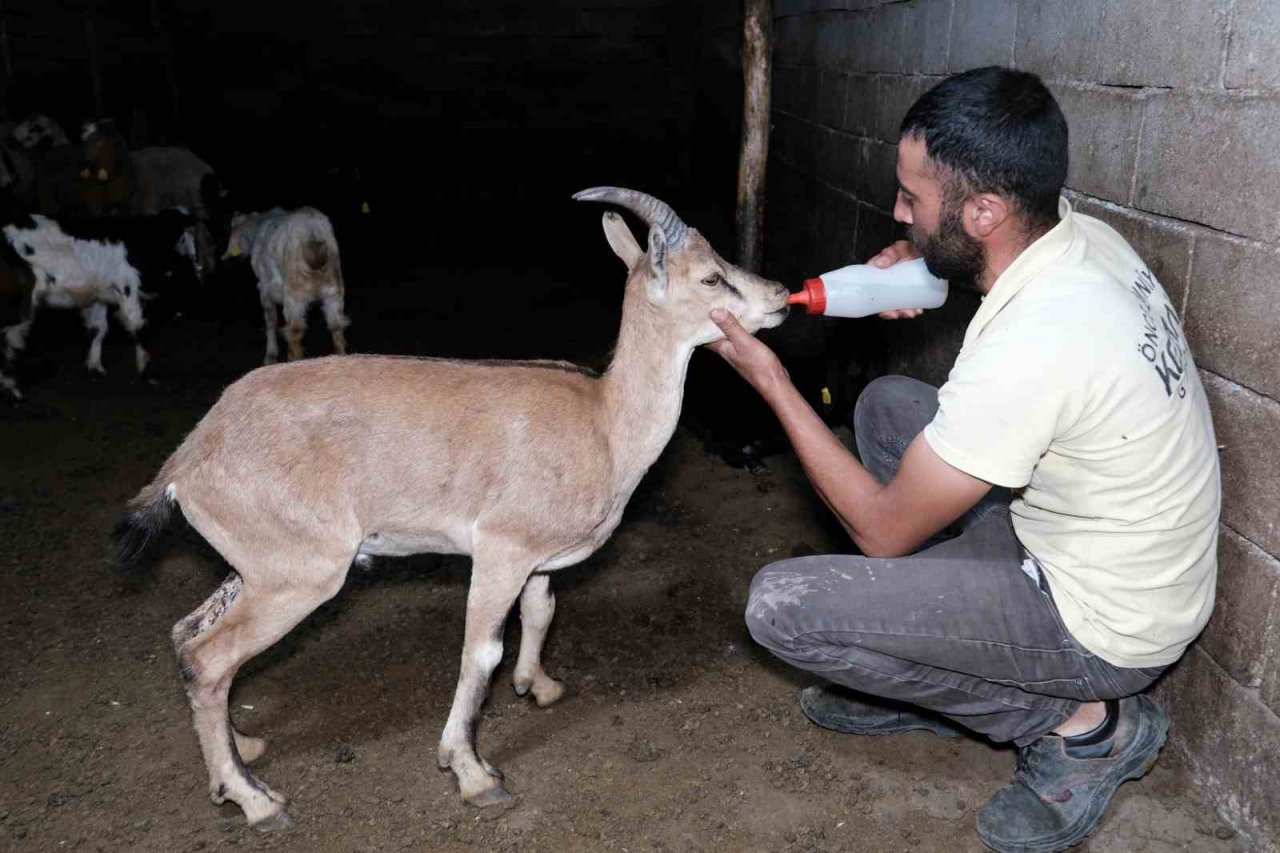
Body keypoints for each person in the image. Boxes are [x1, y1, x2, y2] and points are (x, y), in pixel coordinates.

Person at [709, 66, 1220, 853]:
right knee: (886, 406)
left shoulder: (1036, 345)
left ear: (983, 212)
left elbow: (883, 531)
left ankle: (1082, 726)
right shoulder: (1078, 239)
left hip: (1103, 626)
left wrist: (772, 381)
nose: (898, 210)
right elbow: (999, 293)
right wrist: (923, 266)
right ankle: (943, 666)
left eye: (912, 198)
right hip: (1099, 545)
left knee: (781, 606)